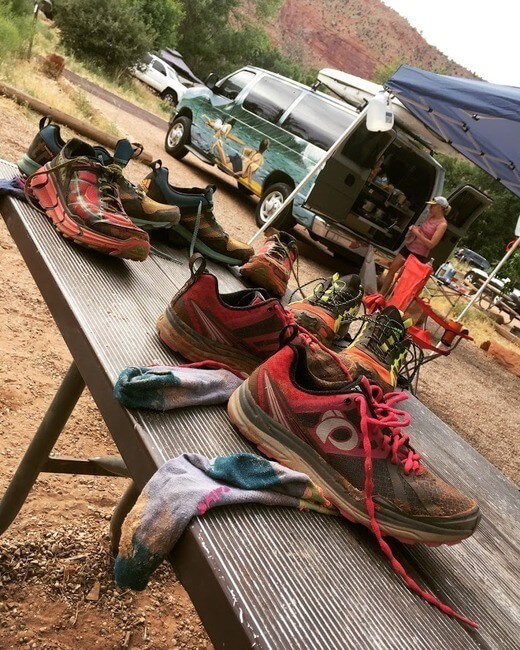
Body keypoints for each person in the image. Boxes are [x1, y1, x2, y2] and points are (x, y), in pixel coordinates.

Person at [380, 196, 451, 295]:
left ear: (439, 207)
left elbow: (431, 245)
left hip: (419, 254)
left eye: (432, 206)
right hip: (409, 246)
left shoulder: (442, 224)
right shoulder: (430, 216)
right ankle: (380, 294)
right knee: (392, 269)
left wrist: (417, 233)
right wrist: (415, 230)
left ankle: (394, 300)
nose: (429, 208)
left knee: (404, 279)